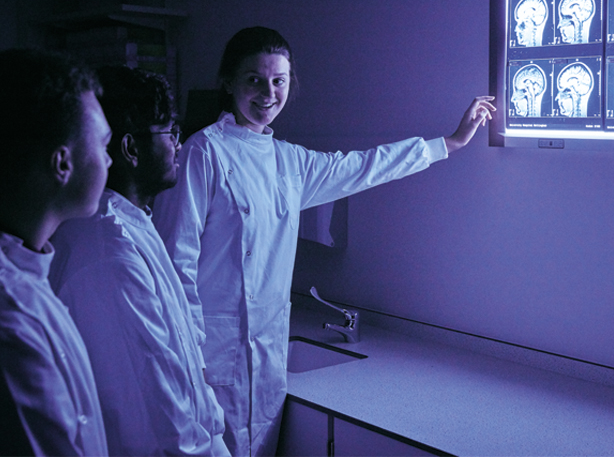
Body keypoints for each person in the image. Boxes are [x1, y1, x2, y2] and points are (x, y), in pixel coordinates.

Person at [153, 27, 496, 456]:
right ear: (228, 82)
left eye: (278, 81)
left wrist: (449, 143)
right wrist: (189, 358)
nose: (267, 93)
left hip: (266, 357)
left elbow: (364, 167)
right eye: (254, 80)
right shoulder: (203, 153)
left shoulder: (289, 161)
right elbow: (174, 265)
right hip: (211, 359)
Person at [49, 66, 230, 456]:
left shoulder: (134, 222)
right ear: (131, 149)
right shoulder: (108, 251)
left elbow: (179, 362)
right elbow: (159, 416)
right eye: (171, 134)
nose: (178, 146)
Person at [0, 48, 110, 456]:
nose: (109, 159)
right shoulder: (11, 321)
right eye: (103, 144)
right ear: (62, 163)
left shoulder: (28, 273)